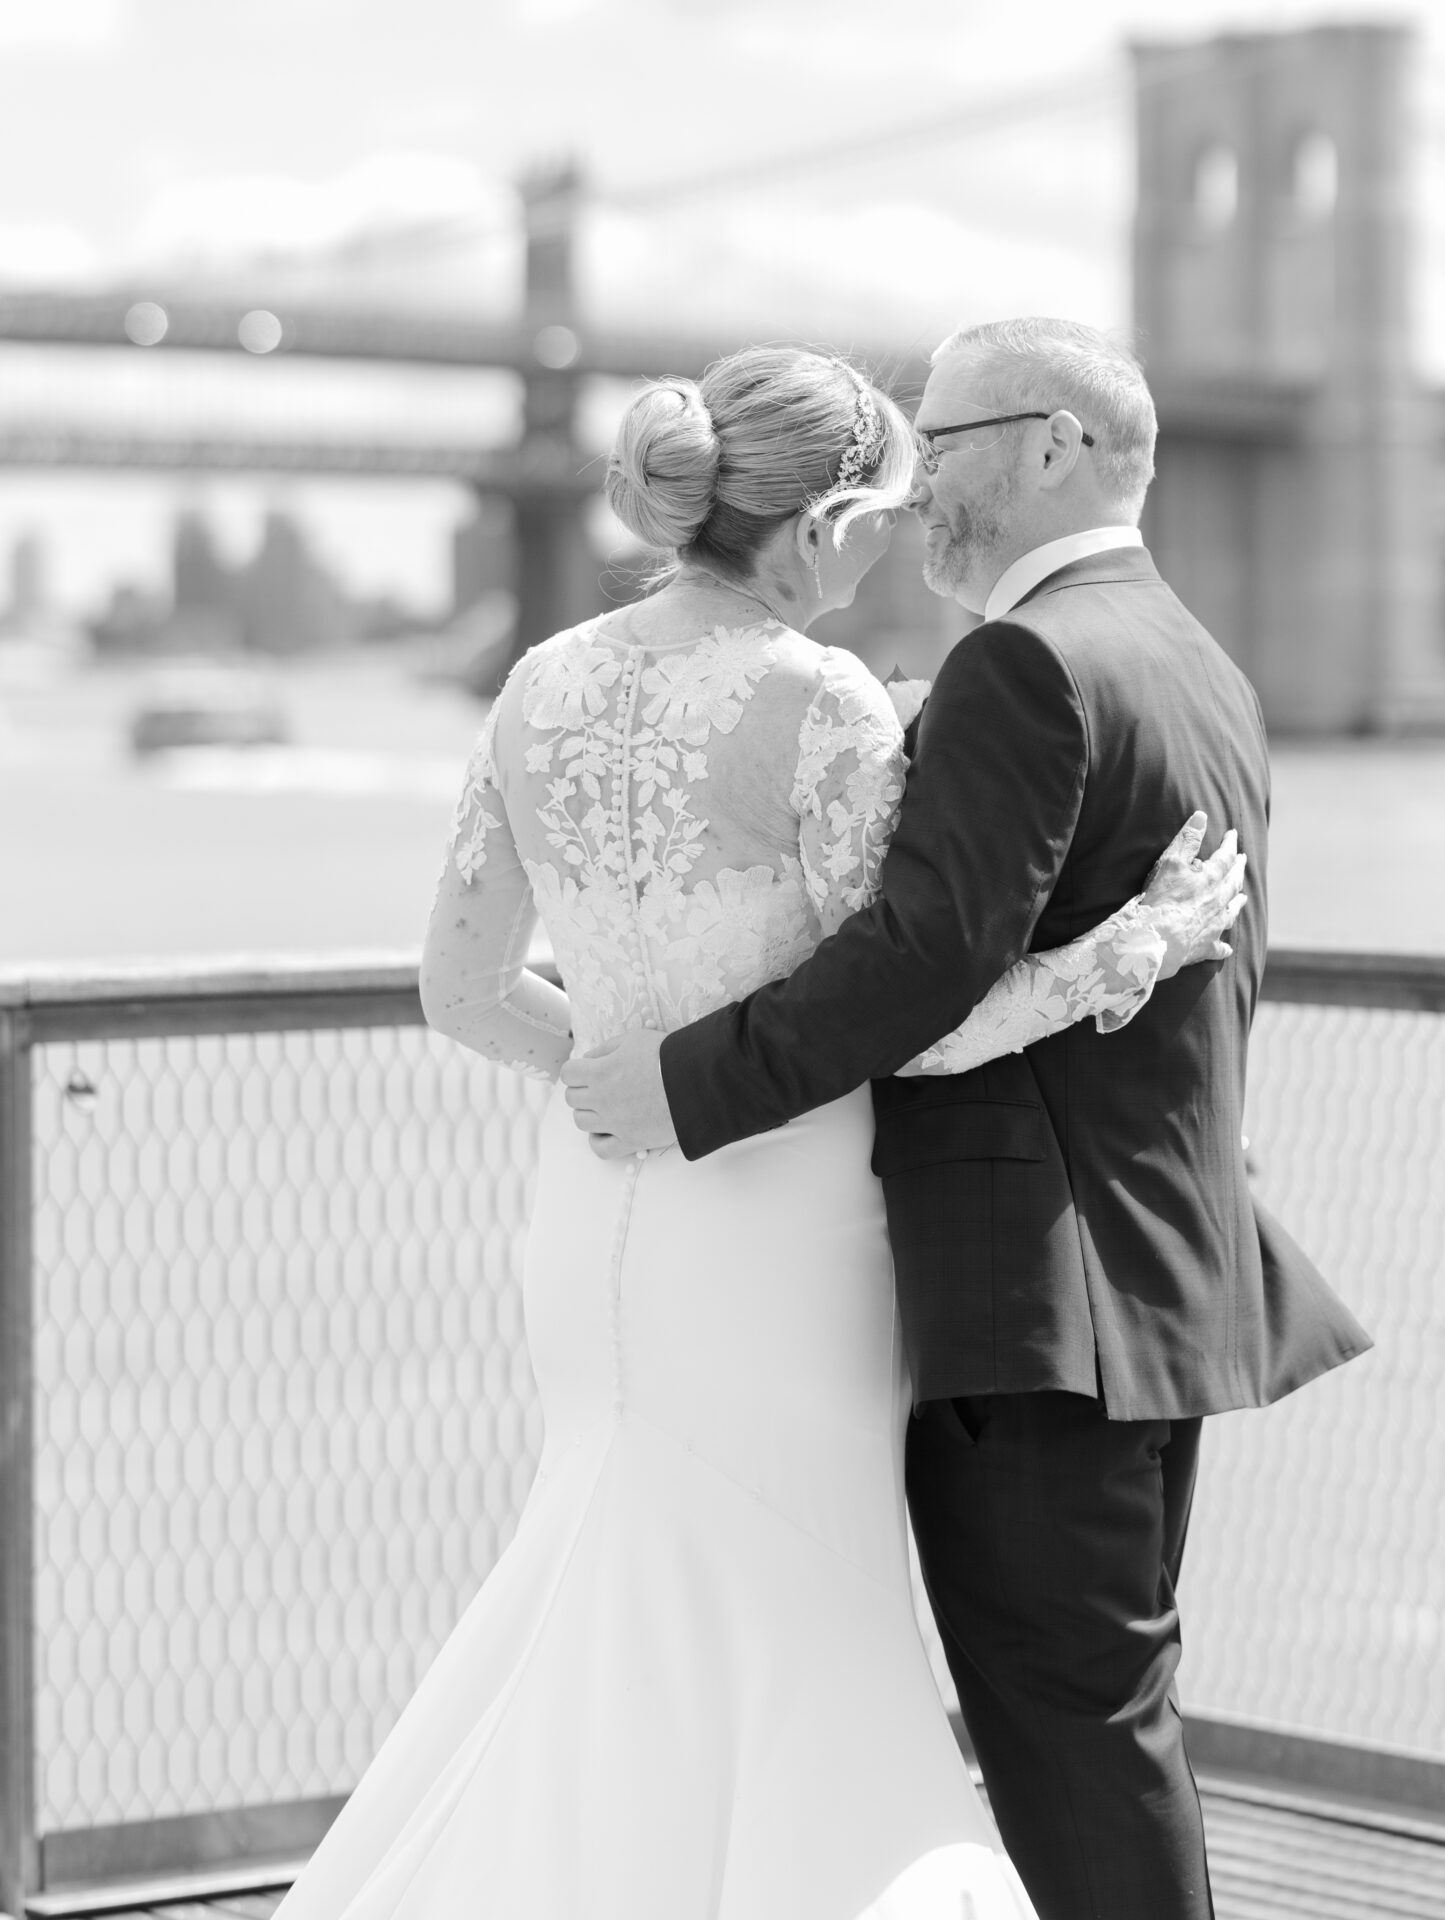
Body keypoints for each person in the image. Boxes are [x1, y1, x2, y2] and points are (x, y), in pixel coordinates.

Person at [274, 344, 1246, 1920]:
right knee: (788, 1594)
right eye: (886, 503)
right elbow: (916, 1009)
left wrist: (613, 1069)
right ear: (815, 526)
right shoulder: (819, 700)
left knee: (615, 1566)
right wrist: (1128, 947)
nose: (903, 530)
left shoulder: (542, 682)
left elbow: (457, 988)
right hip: (788, 1216)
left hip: (594, 1212)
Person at [573, 318, 1372, 1920]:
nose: (917, 482)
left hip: (1040, 1309)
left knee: (1069, 1741)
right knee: (1101, 1719)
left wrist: (674, 1081)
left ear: (1061, 447)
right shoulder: (1189, 656)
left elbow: (921, 964)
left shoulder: (1028, 661)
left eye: (946, 443)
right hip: (1147, 1282)